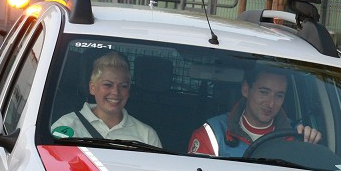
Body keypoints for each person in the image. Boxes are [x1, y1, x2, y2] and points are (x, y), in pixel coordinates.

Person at [187, 64, 321, 157]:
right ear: (246, 89)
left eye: (279, 95)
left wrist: (309, 147)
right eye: (264, 92)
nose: (271, 103)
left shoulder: (297, 137)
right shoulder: (213, 135)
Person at [51, 50, 162, 147]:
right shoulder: (66, 126)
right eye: (108, 85)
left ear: (129, 91)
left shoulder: (147, 135)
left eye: (123, 86)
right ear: (92, 88)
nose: (115, 92)